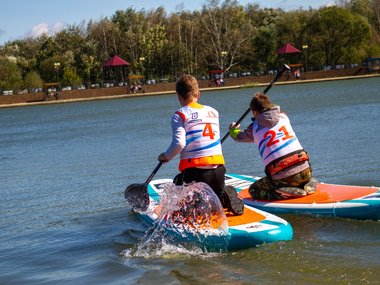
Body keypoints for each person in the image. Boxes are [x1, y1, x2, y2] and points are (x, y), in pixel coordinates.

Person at [158, 74, 244, 215]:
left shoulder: (180, 115)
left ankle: (204, 203)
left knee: (178, 187)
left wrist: (165, 156)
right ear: (198, 94)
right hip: (219, 172)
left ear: (179, 97)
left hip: (196, 174)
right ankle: (222, 196)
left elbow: (179, 143)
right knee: (211, 198)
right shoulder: (213, 112)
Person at [228, 92, 317, 200]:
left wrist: (233, 129)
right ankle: (308, 182)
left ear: (255, 112)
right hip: (306, 170)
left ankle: (282, 192)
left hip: (284, 177)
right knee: (301, 173)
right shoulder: (284, 116)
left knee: (253, 190)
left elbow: (238, 136)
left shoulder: (254, 128)